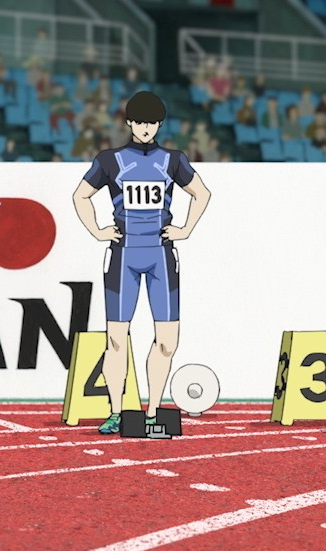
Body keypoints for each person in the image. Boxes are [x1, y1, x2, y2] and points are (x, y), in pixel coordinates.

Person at [73, 91, 212, 432]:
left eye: (152, 122)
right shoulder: (110, 160)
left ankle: (152, 411)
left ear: (159, 124)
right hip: (124, 255)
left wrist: (185, 229)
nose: (146, 128)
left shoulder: (173, 160)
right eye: (140, 122)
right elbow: (80, 195)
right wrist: (97, 231)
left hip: (161, 255)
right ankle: (117, 412)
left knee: (167, 341)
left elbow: (202, 193)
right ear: (130, 123)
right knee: (116, 339)